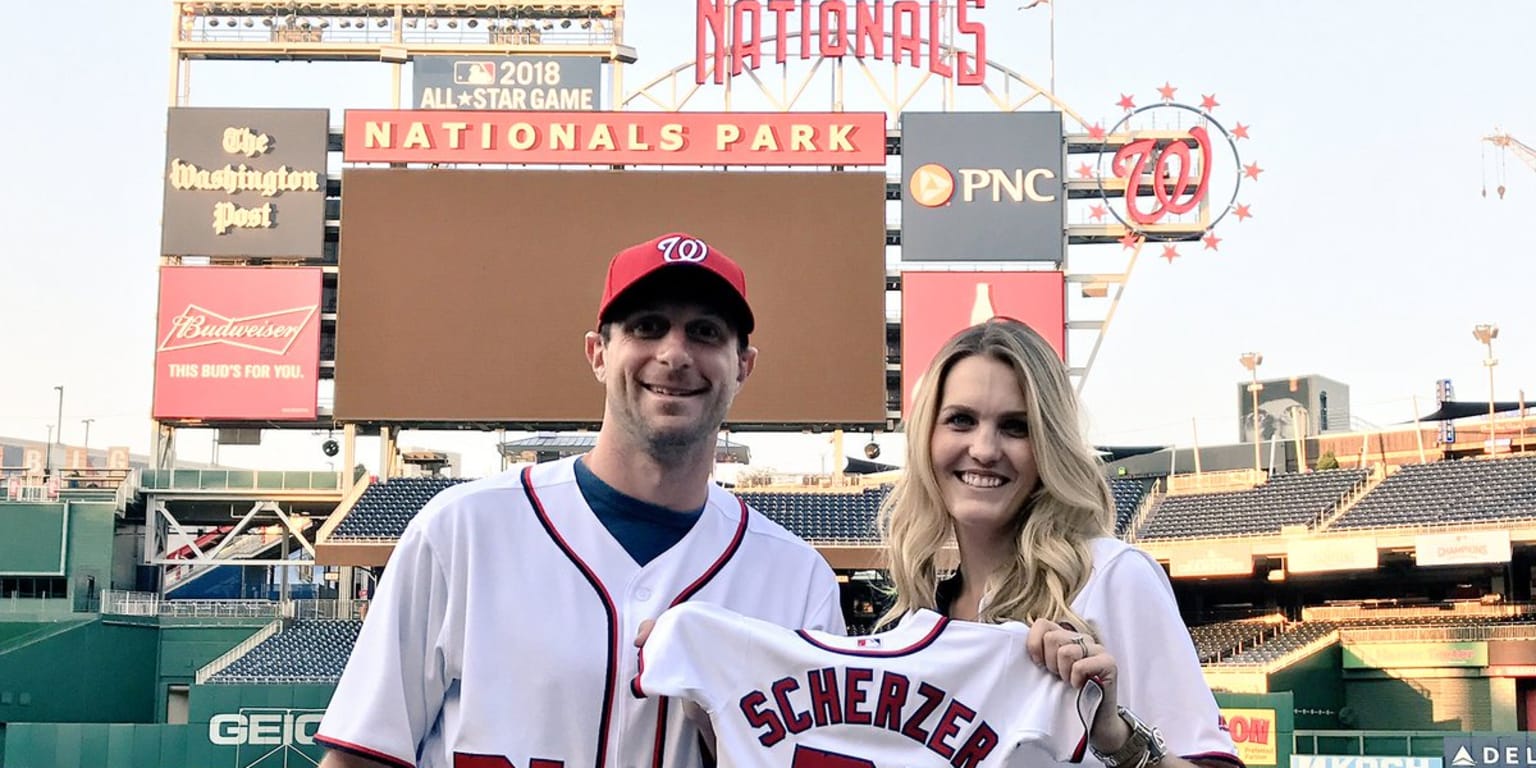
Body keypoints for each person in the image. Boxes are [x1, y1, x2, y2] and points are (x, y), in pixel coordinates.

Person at [315, 232, 845, 768]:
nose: (674, 354)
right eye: (647, 326)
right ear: (598, 353)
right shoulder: (463, 531)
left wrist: (729, 728)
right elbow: (362, 757)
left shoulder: (797, 581)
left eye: (705, 332)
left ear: (744, 367)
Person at [877, 318, 1242, 768]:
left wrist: (1116, 737)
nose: (985, 448)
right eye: (960, 420)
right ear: (926, 436)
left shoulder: (1111, 576)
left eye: (1016, 427)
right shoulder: (923, 612)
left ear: (1050, 444)